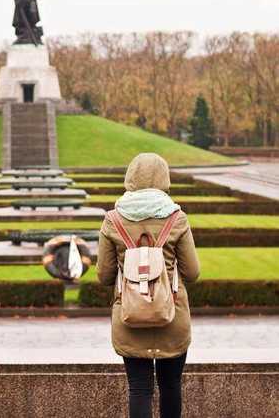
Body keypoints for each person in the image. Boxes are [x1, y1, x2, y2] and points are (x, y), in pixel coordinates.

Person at [97, 153, 200, 418]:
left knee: (139, 389)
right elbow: (192, 271)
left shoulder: (113, 220)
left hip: (130, 316)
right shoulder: (177, 218)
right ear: (164, 179)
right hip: (172, 315)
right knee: (170, 385)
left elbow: (104, 275)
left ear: (130, 178)